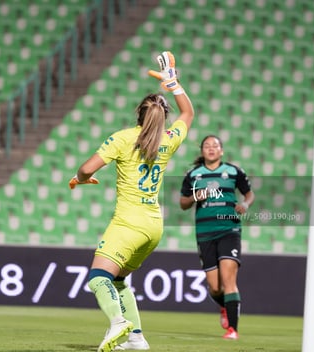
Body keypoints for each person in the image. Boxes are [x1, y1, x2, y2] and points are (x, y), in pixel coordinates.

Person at [69, 51, 194, 352]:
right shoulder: (168, 140)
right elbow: (188, 114)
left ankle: (117, 323)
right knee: (120, 281)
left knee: (98, 278)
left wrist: (82, 179)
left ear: (138, 114)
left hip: (128, 222)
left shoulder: (124, 138)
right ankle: (137, 338)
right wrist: (174, 85)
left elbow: (86, 168)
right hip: (153, 226)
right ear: (163, 118)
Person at [179, 135, 255, 340]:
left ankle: (233, 330)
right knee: (214, 287)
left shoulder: (233, 171)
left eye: (215, 146)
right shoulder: (193, 175)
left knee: (229, 280)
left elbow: (249, 194)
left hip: (229, 229)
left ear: (221, 151)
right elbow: (183, 203)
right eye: (207, 146)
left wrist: (245, 205)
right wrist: (197, 196)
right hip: (205, 233)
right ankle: (224, 307)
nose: (211, 149)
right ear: (202, 151)